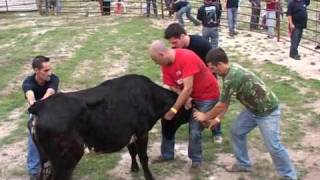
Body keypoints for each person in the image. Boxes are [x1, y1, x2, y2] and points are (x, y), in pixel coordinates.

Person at [193, 48, 297, 180]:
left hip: (268, 112)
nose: (213, 72)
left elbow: (221, 105)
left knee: (273, 146)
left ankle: (289, 176)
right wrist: (217, 119)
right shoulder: (229, 71)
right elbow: (226, 101)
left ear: (220, 64)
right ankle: (243, 164)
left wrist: (205, 116)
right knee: (236, 131)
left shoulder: (232, 77)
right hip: (252, 109)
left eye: (213, 68)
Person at [149, 40, 220, 170]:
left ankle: (196, 160)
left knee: (194, 128)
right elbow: (171, 86)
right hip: (189, 95)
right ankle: (167, 154)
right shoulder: (165, 65)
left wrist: (174, 109)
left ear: (161, 54)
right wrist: (183, 96)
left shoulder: (186, 57)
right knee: (167, 121)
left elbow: (188, 88)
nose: (155, 63)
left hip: (207, 96)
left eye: (155, 60)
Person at [164, 23, 223, 143]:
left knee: (211, 109)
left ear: (182, 36)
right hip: (187, 83)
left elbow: (213, 64)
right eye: (171, 43)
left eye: (174, 42)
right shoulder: (176, 51)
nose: (172, 46)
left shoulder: (201, 44)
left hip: (205, 80)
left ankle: (216, 131)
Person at [22, 56, 59, 180]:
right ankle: (34, 171)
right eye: (46, 70)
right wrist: (33, 103)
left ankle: (58, 162)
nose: (50, 73)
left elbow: (50, 92)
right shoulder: (28, 82)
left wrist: (38, 103)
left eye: (50, 69)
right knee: (34, 136)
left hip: (52, 108)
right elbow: (30, 95)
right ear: (37, 71)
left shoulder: (53, 79)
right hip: (37, 111)